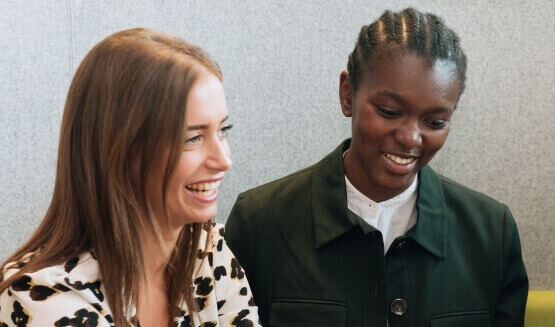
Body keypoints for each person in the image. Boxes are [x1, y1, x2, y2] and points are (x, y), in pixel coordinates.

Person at [225, 7, 528, 327]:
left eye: (435, 121)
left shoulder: (493, 233)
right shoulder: (258, 222)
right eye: (389, 111)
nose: (411, 138)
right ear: (347, 95)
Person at [0, 28, 260, 327]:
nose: (224, 161)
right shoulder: (39, 295)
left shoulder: (206, 252)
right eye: (193, 138)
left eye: (222, 131)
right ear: (122, 151)